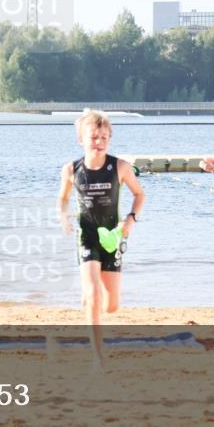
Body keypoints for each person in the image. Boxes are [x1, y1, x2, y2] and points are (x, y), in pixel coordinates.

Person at [57, 110, 146, 371]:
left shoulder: (120, 167)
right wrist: (63, 216)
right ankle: (98, 357)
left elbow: (140, 195)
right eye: (94, 137)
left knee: (112, 305)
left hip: (112, 238)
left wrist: (130, 220)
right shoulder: (71, 170)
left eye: (104, 137)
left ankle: (91, 293)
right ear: (81, 139)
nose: (99, 142)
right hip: (87, 236)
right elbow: (63, 198)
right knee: (94, 294)